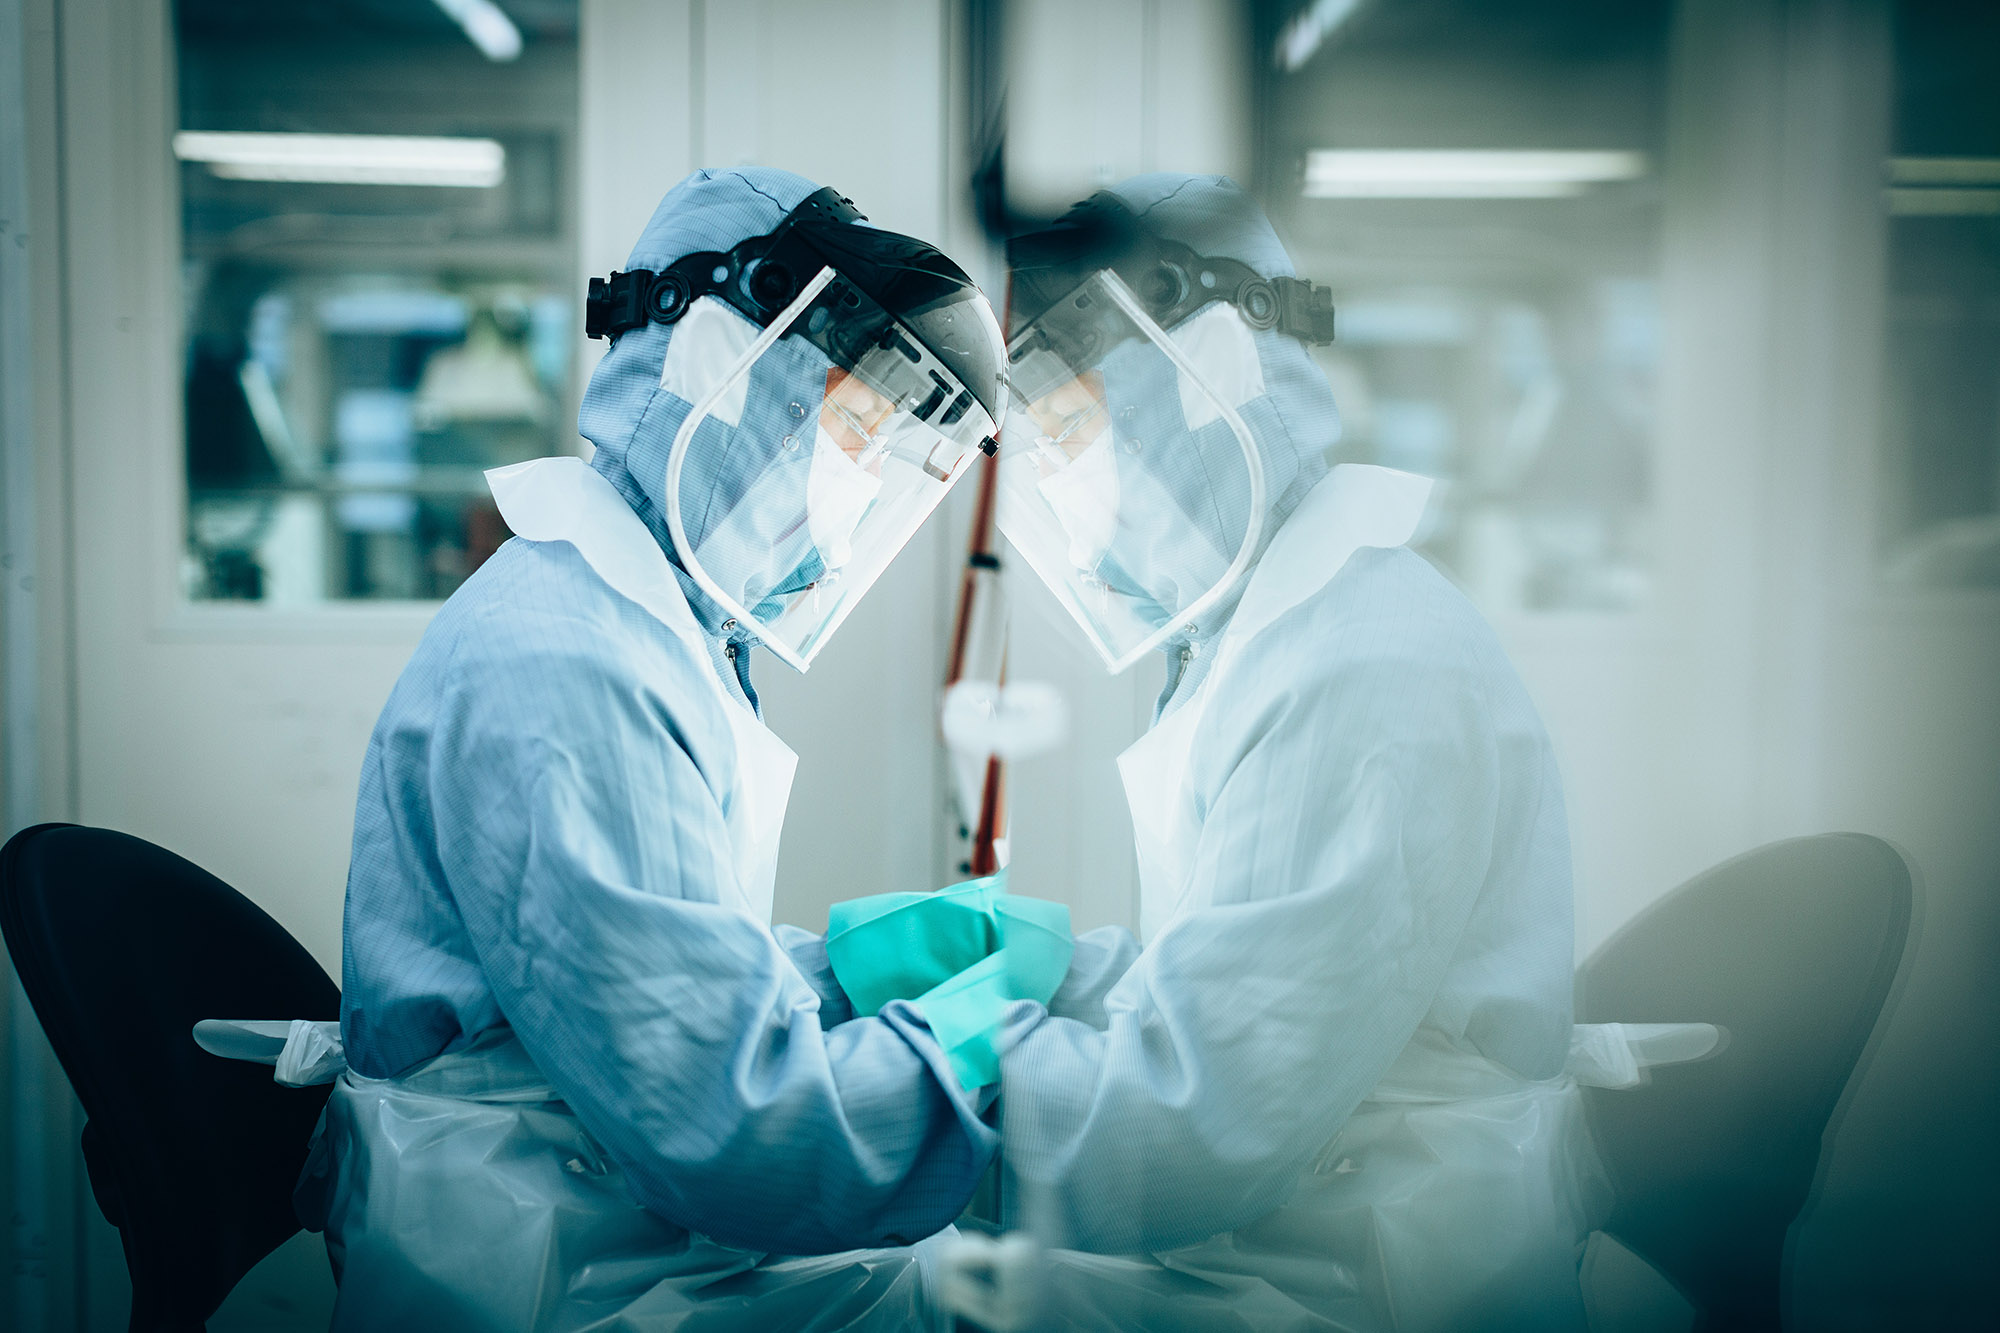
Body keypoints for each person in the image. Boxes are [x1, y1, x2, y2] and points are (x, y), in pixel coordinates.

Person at [304, 167, 1012, 1332]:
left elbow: (652, 966)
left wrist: (854, 969)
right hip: (550, 1277)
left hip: (601, 1219)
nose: (854, 481)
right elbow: (739, 1132)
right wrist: (1009, 1067)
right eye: (847, 423)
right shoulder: (562, 663)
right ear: (716, 373)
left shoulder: (641, 618)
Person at [986, 174, 1612, 1331]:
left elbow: (1191, 1134)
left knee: (916, 1297)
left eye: (1070, 427)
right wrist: (1050, 976)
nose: (1057, 481)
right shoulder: (1280, 622)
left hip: (1357, 1282)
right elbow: (1250, 975)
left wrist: (942, 1087)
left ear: (1196, 383)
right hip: (1296, 1232)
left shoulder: (1357, 666)